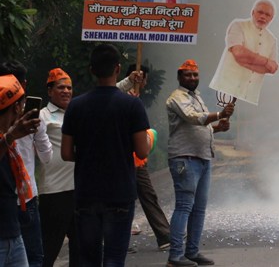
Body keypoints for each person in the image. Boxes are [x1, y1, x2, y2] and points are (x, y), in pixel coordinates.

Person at [61, 44, 150, 266]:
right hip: (119, 193)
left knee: (88, 260)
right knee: (114, 259)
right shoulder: (132, 105)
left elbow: (66, 153)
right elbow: (142, 150)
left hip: (86, 192)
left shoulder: (75, 106)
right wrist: (150, 137)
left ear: (91, 69)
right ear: (118, 68)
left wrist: (89, 154)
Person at [165, 60, 234, 267]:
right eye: (188, 75)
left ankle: (192, 252)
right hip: (185, 158)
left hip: (202, 158)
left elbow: (201, 126)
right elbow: (193, 118)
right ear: (179, 77)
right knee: (184, 206)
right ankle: (175, 256)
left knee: (199, 208)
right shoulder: (176, 98)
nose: (192, 78)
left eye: (195, 74)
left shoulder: (197, 97)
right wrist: (220, 114)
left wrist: (218, 127)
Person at [0, 61, 52, 267]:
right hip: (21, 207)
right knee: (35, 258)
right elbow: (46, 156)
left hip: (14, 226)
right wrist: (11, 136)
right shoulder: (10, 137)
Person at [121, 65, 170, 251]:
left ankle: (165, 235)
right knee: (124, 201)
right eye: (141, 78)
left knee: (147, 196)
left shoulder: (136, 99)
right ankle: (117, 240)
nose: (144, 82)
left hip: (138, 160)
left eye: (145, 79)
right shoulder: (121, 99)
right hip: (124, 159)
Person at [37, 68, 79, 267]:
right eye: (61, 87)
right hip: (54, 193)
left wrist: (129, 83)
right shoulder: (42, 117)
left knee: (80, 249)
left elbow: (101, 99)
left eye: (69, 88)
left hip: (78, 190)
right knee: (49, 250)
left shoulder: (76, 113)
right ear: (49, 91)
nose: (66, 91)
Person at [209, 0, 279, 105]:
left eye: (267, 14)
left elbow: (272, 68)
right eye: (260, 12)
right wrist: (265, 61)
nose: (263, 16)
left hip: (250, 95)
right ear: (252, 12)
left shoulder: (272, 40)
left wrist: (245, 62)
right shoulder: (238, 25)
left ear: (271, 18)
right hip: (226, 88)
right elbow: (239, 53)